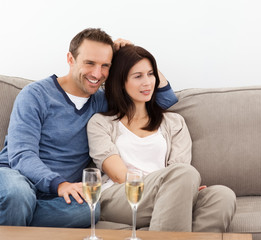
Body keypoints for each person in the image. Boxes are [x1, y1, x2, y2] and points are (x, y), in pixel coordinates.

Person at [0, 28, 178, 227]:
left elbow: (165, 99)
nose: (97, 73)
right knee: (17, 195)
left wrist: (130, 53)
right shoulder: (35, 95)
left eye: (105, 65)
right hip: (17, 176)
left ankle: (14, 215)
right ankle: (16, 209)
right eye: (90, 63)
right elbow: (21, 154)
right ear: (70, 59)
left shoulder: (103, 102)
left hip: (61, 194)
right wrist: (59, 184)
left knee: (89, 210)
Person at [87, 44, 236, 232]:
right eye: (138, 76)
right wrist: (177, 187)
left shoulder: (174, 122)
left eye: (151, 74)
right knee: (183, 175)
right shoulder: (100, 123)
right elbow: (118, 174)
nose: (148, 82)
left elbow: (179, 167)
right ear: (120, 82)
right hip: (120, 195)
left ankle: (162, 225)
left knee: (222, 196)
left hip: (167, 190)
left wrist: (181, 188)